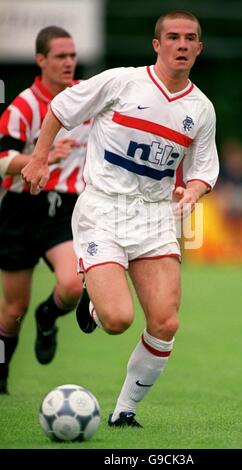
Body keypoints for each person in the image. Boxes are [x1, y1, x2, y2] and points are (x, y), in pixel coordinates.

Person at [22, 11, 219, 426]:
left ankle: (124, 412)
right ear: (157, 44)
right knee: (117, 320)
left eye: (190, 39)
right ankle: (95, 301)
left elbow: (203, 168)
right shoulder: (122, 81)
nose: (181, 45)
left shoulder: (201, 109)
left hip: (154, 216)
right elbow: (61, 107)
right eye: (173, 37)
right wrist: (40, 158)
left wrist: (194, 190)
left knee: (165, 322)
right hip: (104, 209)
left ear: (199, 48)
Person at [0, 26, 91, 394]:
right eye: (60, 56)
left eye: (72, 56)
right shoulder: (23, 105)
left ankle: (49, 315)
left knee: (72, 283)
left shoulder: (87, 97)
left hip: (64, 208)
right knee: (12, 310)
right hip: (21, 209)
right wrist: (41, 155)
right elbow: (2, 158)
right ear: (41, 60)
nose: (69, 62)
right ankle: (1, 377)